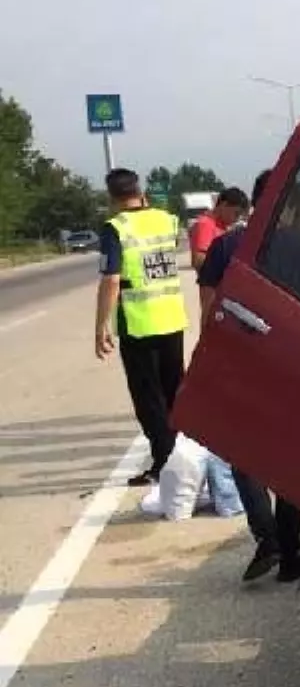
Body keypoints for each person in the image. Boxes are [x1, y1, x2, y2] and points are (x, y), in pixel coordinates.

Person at [198, 169, 300, 584]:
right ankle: (289, 554)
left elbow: (209, 314)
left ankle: (266, 537)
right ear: (286, 202)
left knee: (244, 453)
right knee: (293, 461)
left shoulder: (223, 246)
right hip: (292, 370)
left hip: (241, 366)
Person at [95, 168, 189, 486]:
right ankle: (185, 458)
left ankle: (166, 465)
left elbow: (111, 279)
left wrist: (101, 326)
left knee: (150, 400)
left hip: (139, 325)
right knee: (174, 394)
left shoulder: (115, 228)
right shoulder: (166, 219)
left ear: (111, 197)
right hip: (172, 318)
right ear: (140, 190)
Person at [188, 189, 243, 275]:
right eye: (236, 213)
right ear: (224, 205)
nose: (237, 219)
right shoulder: (206, 224)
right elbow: (198, 261)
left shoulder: (222, 227)